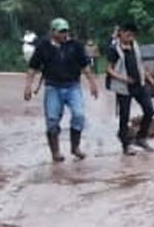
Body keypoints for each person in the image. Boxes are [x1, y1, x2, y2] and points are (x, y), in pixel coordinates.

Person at [22, 17, 100, 163]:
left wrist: (92, 83)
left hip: (72, 86)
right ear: (52, 32)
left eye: (66, 31)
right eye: (61, 31)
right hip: (53, 86)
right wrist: (28, 86)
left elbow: (85, 66)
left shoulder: (75, 46)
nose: (64, 34)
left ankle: (75, 147)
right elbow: (33, 68)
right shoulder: (43, 46)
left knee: (79, 115)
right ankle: (55, 151)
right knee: (52, 119)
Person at [105, 23, 154, 154]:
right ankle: (125, 145)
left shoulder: (135, 45)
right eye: (128, 35)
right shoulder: (114, 49)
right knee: (124, 116)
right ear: (121, 33)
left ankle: (141, 137)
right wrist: (123, 78)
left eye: (132, 35)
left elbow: (140, 63)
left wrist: (148, 76)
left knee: (149, 110)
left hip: (140, 84)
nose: (130, 37)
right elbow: (109, 69)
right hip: (124, 87)